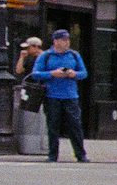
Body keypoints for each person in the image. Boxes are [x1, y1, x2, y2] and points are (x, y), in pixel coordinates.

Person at [29, 28, 89, 162]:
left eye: (68, 40)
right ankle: (52, 155)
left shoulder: (74, 55)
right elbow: (35, 74)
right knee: (53, 126)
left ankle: (81, 154)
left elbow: (84, 73)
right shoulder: (45, 56)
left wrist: (74, 74)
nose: (66, 43)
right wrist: (51, 73)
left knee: (75, 125)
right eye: (63, 40)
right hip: (51, 95)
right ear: (55, 41)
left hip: (71, 95)